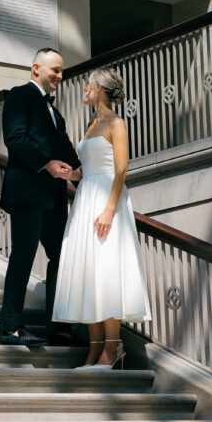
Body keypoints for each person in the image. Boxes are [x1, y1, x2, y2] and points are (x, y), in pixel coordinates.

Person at [52, 67, 151, 368]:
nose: (85, 88)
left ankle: (112, 348)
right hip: (86, 200)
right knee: (90, 273)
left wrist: (109, 209)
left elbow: (120, 169)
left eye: (89, 85)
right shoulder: (91, 124)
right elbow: (90, 166)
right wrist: (72, 173)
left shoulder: (115, 123)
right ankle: (95, 350)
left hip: (107, 200)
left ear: (100, 88)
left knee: (108, 271)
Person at [0, 47, 82, 347]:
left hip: (54, 198)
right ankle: (10, 327)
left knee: (62, 258)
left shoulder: (56, 114)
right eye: (55, 70)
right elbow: (15, 138)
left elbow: (68, 152)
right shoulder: (19, 96)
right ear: (36, 69)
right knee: (23, 255)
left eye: (61, 71)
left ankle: (58, 327)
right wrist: (47, 164)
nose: (60, 76)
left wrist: (83, 174)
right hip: (27, 193)